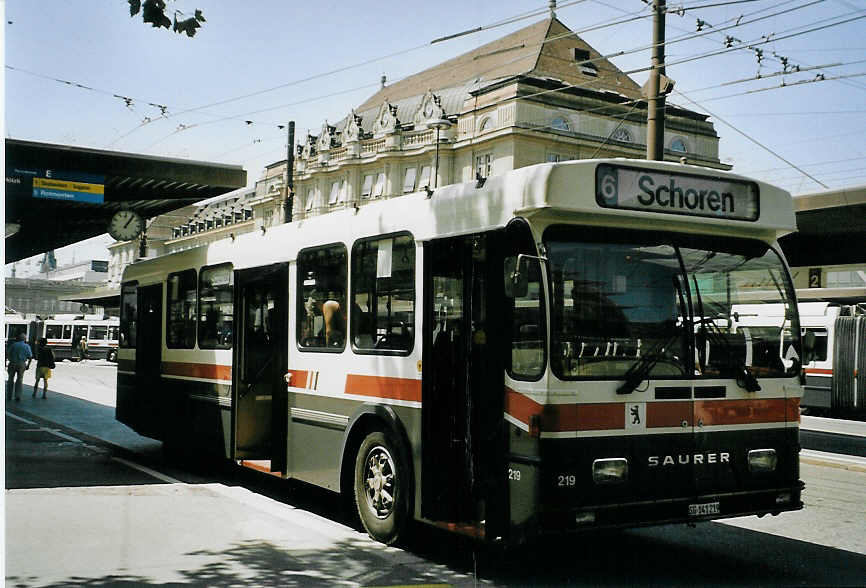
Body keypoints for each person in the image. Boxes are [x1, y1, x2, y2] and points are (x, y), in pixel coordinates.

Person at [6, 333, 32, 401]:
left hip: (12, 363)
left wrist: (9, 360)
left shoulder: (13, 345)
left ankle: (9, 395)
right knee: (19, 379)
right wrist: (28, 365)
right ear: (24, 339)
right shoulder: (27, 346)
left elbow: (8, 354)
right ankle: (17, 395)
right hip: (21, 364)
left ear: (18, 338)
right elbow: (30, 357)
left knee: (10, 379)